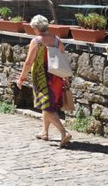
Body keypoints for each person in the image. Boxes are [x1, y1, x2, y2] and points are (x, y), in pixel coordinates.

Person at [17, 14, 73, 147]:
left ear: (36, 28)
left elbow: (29, 61)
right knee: (48, 105)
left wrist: (21, 78)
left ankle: (64, 132)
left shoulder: (36, 41)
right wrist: (66, 78)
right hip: (56, 76)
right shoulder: (57, 39)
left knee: (47, 107)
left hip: (42, 78)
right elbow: (62, 59)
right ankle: (45, 132)